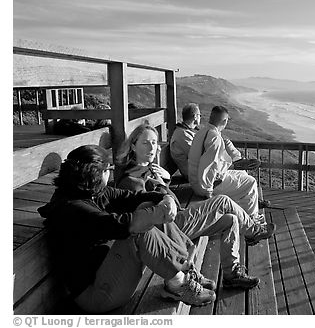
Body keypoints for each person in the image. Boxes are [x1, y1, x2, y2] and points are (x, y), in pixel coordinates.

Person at [37, 145, 215, 313]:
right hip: (95, 295)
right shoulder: (71, 207)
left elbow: (135, 197)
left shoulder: (91, 192)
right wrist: (158, 211)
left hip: (107, 272)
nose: (111, 173)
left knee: (147, 207)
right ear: (96, 174)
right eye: (108, 170)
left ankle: (184, 271)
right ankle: (178, 284)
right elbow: (119, 225)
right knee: (139, 228)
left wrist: (164, 198)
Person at [115, 124, 276, 295]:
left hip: (177, 220)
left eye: (154, 143)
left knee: (231, 219)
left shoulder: (150, 170)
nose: (152, 148)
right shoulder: (132, 179)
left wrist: (166, 181)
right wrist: (163, 186)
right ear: (133, 145)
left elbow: (169, 200)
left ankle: (232, 274)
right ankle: (253, 231)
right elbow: (154, 212)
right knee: (222, 201)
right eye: (145, 143)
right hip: (170, 229)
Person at [188, 106, 271, 220]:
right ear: (225, 121)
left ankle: (247, 209)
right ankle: (252, 219)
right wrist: (208, 192)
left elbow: (211, 163)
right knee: (251, 182)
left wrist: (236, 166)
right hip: (203, 185)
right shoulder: (214, 137)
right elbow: (208, 166)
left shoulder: (202, 131)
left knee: (243, 174)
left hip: (195, 180)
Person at [169, 103, 201, 180]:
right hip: (194, 176)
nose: (200, 117)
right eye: (200, 115)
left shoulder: (185, 132)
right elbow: (198, 155)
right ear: (195, 117)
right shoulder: (182, 134)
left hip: (198, 172)